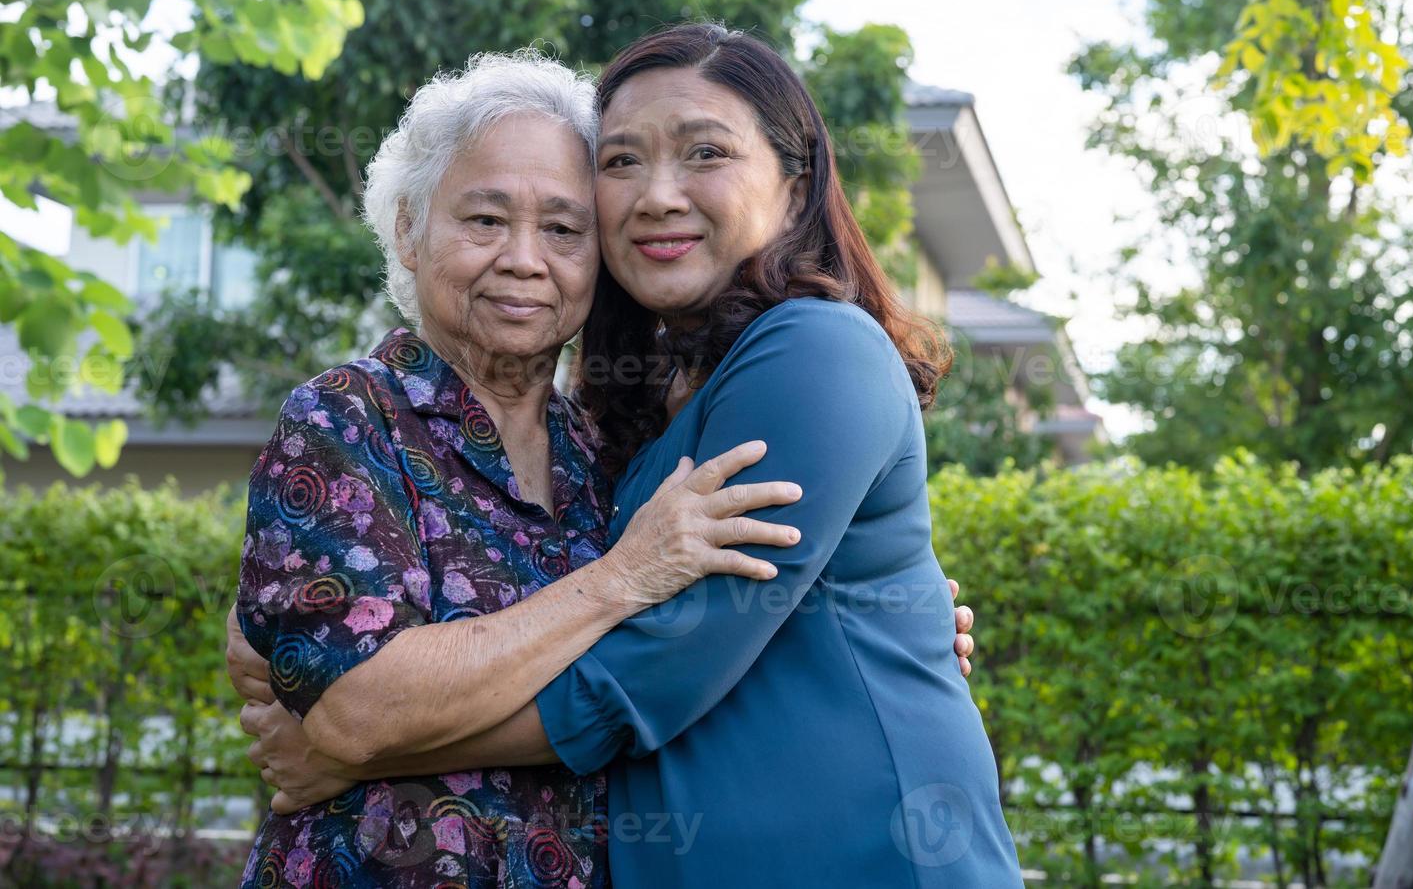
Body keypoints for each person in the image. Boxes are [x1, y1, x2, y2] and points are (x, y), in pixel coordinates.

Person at [228, 47, 981, 888]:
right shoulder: (351, 418)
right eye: (483, 221)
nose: (523, 259)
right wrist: (621, 578)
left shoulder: (601, 448)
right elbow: (352, 691)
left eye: (561, 228)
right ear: (409, 230)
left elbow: (666, 658)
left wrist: (892, 619)